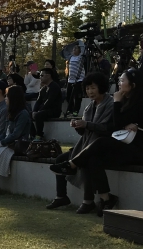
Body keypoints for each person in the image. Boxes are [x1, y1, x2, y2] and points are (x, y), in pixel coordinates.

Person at [50, 69, 143, 216]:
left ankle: (73, 166)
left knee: (99, 144)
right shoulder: (117, 101)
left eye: (122, 81)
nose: (119, 83)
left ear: (132, 84)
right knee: (92, 159)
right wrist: (80, 126)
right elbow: (119, 124)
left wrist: (134, 123)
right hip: (120, 145)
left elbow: (113, 126)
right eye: (119, 80)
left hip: (138, 149)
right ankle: (106, 198)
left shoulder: (138, 101)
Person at [46, 72, 114, 212]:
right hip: (86, 143)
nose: (90, 92)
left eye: (93, 88)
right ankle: (61, 196)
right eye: (88, 88)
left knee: (85, 161)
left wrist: (86, 124)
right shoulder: (90, 107)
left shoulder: (110, 104)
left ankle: (88, 201)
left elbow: (107, 129)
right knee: (60, 158)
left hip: (102, 146)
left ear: (101, 87)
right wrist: (78, 126)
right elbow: (85, 132)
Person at [31, 68, 63, 141]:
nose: (40, 77)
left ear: (48, 76)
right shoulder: (43, 88)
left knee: (38, 115)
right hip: (44, 110)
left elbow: (49, 101)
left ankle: (39, 135)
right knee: (27, 114)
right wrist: (34, 111)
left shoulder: (54, 87)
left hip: (54, 111)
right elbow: (38, 101)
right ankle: (33, 135)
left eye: (42, 75)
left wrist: (38, 111)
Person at [65, 46, 86, 117]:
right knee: (68, 95)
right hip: (70, 79)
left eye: (76, 49)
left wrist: (79, 43)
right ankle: (70, 109)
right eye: (73, 49)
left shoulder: (80, 57)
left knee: (77, 96)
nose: (74, 50)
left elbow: (83, 50)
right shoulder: (70, 57)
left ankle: (76, 110)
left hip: (79, 79)